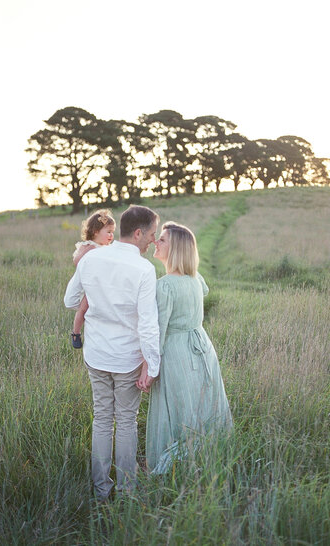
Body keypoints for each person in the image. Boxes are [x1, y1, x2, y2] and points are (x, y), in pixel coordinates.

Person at [64, 205, 160, 500]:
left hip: (96, 355)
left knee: (103, 418)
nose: (154, 241)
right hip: (127, 358)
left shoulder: (92, 259)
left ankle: (101, 490)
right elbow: (147, 324)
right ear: (139, 233)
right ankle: (127, 489)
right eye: (153, 235)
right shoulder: (144, 269)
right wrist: (152, 366)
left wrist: (96, 299)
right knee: (126, 421)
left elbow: (70, 300)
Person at [141, 222, 233, 474]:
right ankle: (202, 459)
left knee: (177, 410)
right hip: (202, 346)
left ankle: (171, 469)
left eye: (162, 240)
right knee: (200, 407)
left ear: (175, 249)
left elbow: (158, 330)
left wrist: (150, 367)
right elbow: (203, 289)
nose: (155, 243)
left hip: (178, 351)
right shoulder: (195, 278)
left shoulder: (166, 285)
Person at [71, 209, 116, 349]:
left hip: (104, 284)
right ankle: (76, 333)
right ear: (96, 232)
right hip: (91, 284)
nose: (111, 235)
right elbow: (77, 261)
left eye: (112, 232)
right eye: (108, 232)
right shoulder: (90, 247)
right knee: (84, 308)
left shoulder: (105, 248)